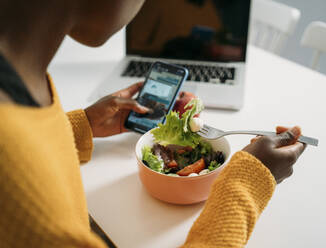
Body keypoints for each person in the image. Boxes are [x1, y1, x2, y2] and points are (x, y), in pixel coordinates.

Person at [0, 0, 306, 247]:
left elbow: (31, 142)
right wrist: (246, 184)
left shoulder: (20, 85)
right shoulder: (17, 176)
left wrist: (82, 126)